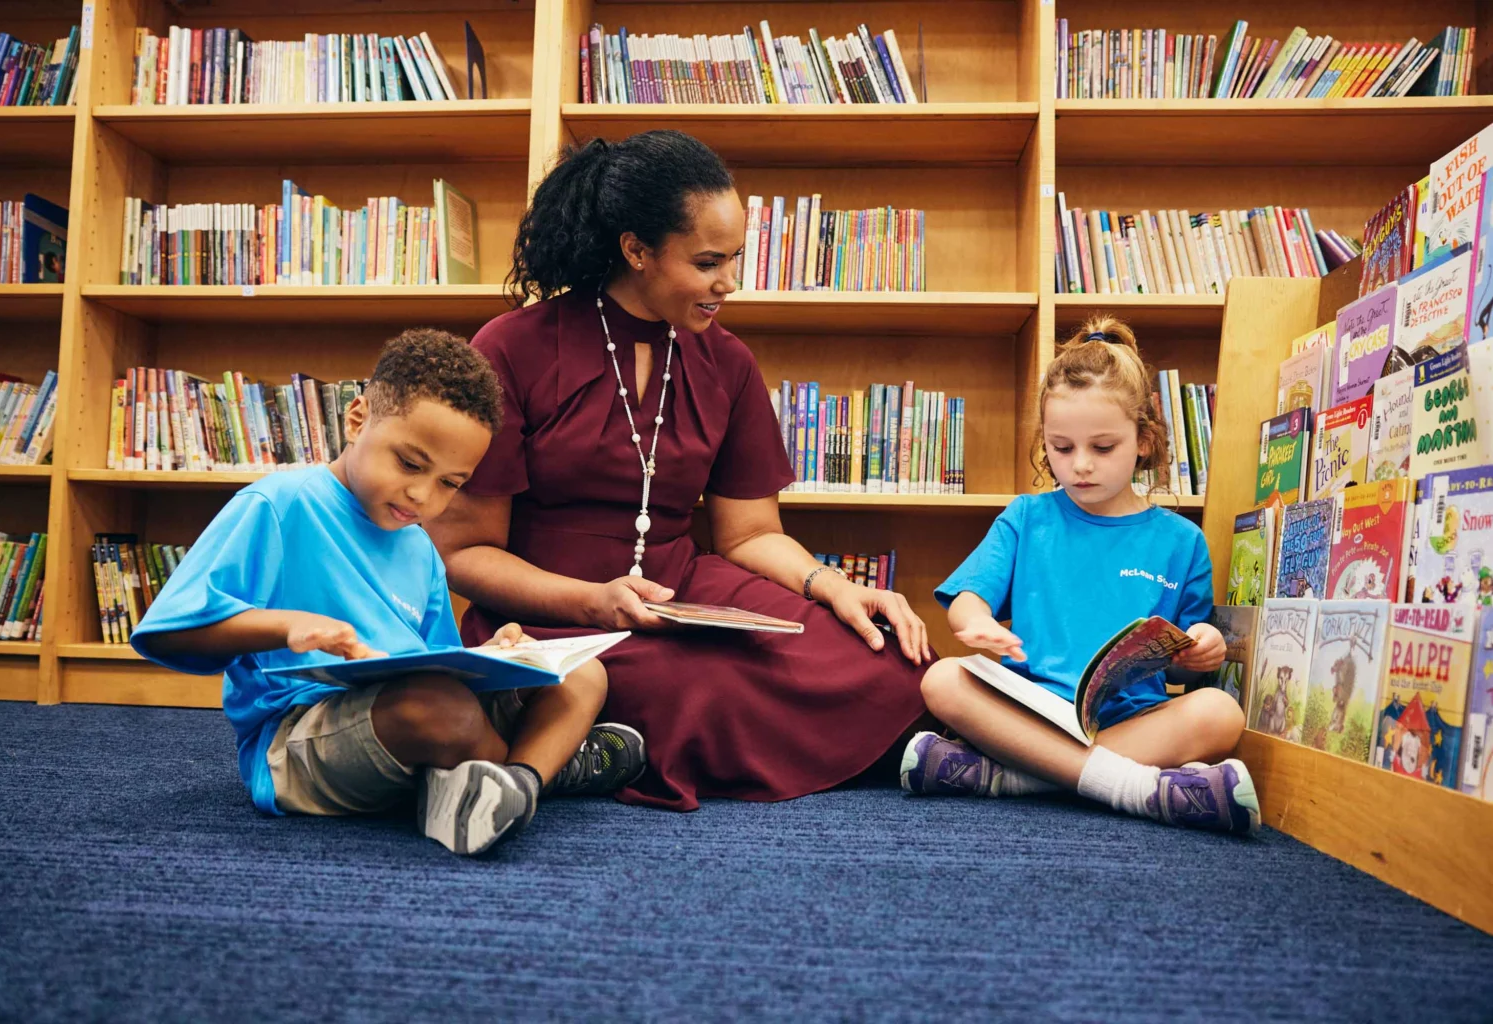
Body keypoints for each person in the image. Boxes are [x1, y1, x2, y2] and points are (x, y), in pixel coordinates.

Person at [427, 130, 932, 812]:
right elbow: (464, 553)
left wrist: (831, 587)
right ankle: (578, 739)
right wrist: (592, 600)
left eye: (734, 259)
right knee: (694, 684)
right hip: (548, 606)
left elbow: (749, 534)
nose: (728, 283)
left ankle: (594, 748)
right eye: (707, 261)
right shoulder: (509, 346)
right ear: (636, 250)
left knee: (882, 662)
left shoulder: (728, 362)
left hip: (681, 588)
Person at [131, 329, 645, 856]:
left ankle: (517, 783)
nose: (423, 496)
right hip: (299, 740)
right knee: (437, 710)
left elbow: (435, 664)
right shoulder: (279, 504)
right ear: (357, 420)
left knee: (582, 674)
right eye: (410, 464)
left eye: (451, 483)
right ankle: (542, 772)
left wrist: (493, 658)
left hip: (419, 713)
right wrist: (285, 625)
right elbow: (170, 634)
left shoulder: (419, 546)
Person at [902, 316, 1259, 835]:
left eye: (1103, 447)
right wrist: (976, 621)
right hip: (1028, 714)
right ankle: (1135, 788)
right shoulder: (1027, 517)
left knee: (1221, 712)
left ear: (1143, 440)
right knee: (942, 680)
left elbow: (1184, 672)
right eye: (1061, 447)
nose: (1080, 465)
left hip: (1131, 722)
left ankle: (1017, 777)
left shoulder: (1182, 542)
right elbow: (969, 596)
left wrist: (1202, 648)